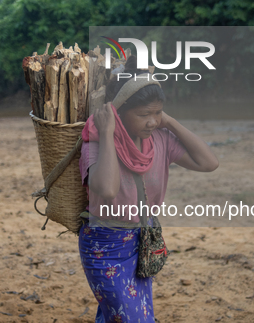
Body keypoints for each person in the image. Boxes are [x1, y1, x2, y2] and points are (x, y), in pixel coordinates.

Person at [78, 57, 219, 322]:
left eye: (157, 113)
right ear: (118, 110)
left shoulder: (160, 140)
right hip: (104, 247)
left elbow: (209, 163)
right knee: (130, 317)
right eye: (144, 114)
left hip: (140, 244)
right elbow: (107, 190)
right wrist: (108, 132)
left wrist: (170, 122)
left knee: (124, 316)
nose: (152, 121)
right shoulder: (96, 142)